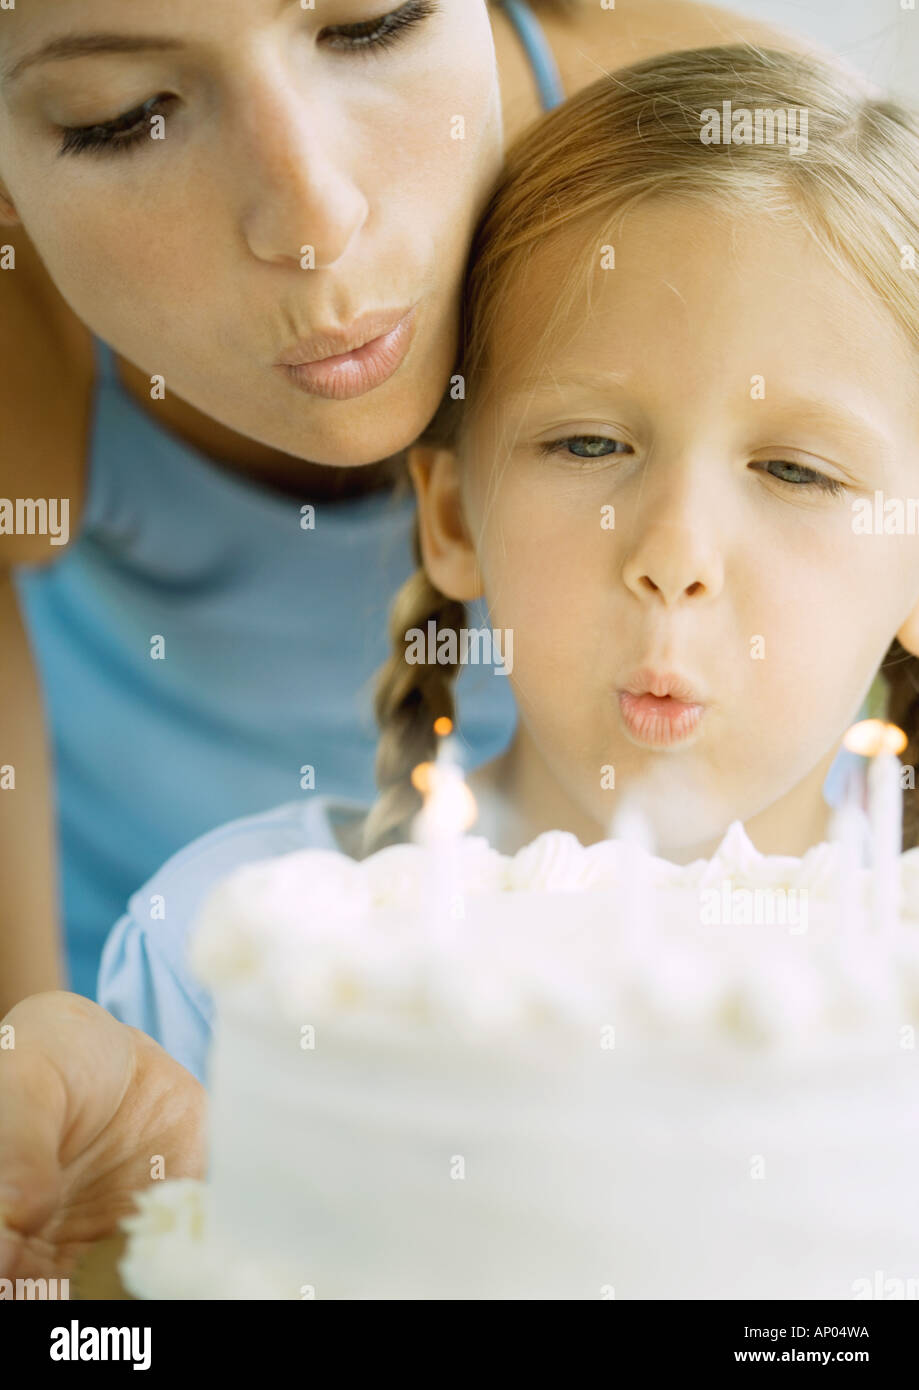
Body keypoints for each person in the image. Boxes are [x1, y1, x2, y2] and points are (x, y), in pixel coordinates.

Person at [3, 39, 918, 1281]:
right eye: (589, 443)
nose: (673, 553)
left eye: (796, 470)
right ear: (449, 517)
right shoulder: (235, 956)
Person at [0, 0, 790, 1014]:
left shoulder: (730, 151)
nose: (314, 218)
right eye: (122, 115)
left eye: (371, 23)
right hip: (143, 1004)